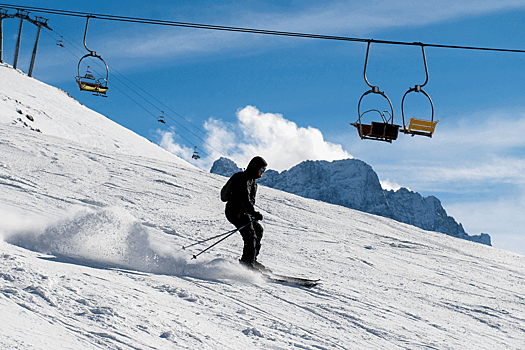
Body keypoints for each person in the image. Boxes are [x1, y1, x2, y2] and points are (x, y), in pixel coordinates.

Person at [221, 156, 267, 269]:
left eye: (264, 170)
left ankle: (252, 260)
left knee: (258, 230)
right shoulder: (242, 178)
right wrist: (254, 213)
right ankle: (247, 263)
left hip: (244, 213)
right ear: (255, 167)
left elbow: (249, 201)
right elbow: (244, 199)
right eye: (261, 169)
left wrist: (252, 213)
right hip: (234, 211)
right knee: (250, 235)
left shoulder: (253, 183)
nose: (263, 172)